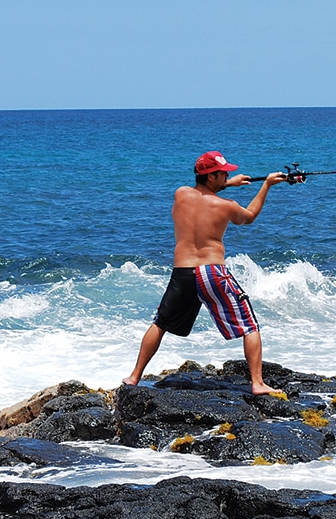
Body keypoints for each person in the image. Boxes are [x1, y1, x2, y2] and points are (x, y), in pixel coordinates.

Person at [123, 150, 303, 395]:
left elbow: (204, 194)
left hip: (182, 273)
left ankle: (134, 377)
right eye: (223, 173)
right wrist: (267, 185)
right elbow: (249, 217)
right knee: (249, 326)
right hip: (211, 272)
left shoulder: (180, 194)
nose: (227, 175)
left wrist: (229, 183)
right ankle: (258, 383)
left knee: (160, 324)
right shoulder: (226, 206)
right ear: (211, 176)